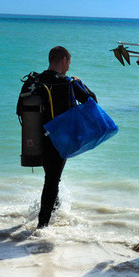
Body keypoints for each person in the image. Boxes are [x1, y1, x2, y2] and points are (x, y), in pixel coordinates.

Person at [17, 46, 96, 228]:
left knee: (52, 177)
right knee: (52, 181)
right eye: (69, 62)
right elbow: (92, 100)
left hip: (35, 137)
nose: (69, 67)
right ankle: (42, 226)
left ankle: (54, 211)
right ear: (63, 61)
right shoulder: (68, 82)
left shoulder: (33, 81)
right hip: (59, 140)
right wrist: (81, 83)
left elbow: (19, 110)